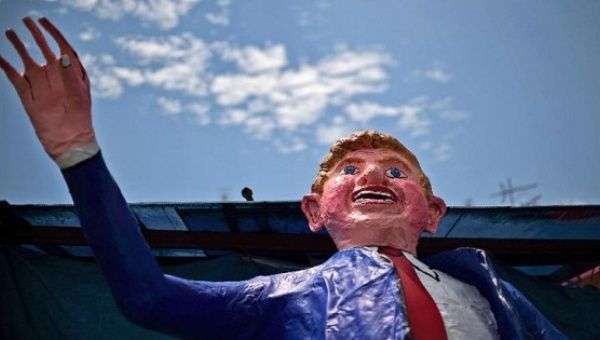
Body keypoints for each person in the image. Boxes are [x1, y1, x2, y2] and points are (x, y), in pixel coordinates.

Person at [1, 17, 566, 339]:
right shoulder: (290, 296)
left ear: (433, 210)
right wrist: (80, 154)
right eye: (349, 170)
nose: (374, 174)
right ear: (315, 211)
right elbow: (148, 297)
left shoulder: (492, 292)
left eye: (397, 171)